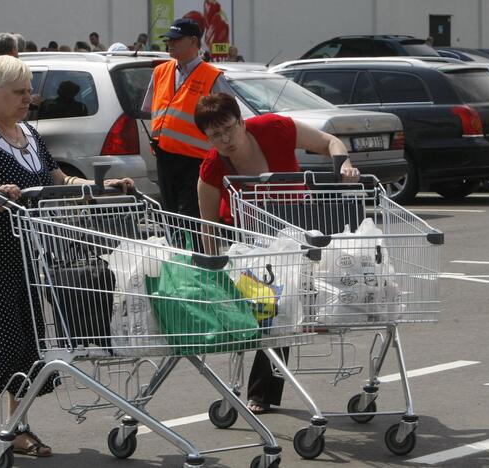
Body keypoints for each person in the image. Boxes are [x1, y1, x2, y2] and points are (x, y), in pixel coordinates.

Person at [0, 55, 133, 457]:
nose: (30, 98)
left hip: (29, 250)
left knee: (30, 344)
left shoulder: (29, 134)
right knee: (1, 339)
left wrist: (101, 188)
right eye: (20, 91)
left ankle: (14, 426)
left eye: (30, 91)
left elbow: (56, 180)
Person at [193, 93, 360, 412]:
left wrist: (345, 165)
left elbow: (329, 142)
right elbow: (208, 226)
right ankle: (259, 392)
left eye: (229, 128)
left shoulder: (274, 128)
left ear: (241, 121)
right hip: (247, 241)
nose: (225, 139)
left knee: (288, 305)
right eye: (215, 135)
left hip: (293, 229)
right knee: (274, 305)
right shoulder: (213, 167)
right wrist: (215, 271)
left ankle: (261, 393)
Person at [140, 18, 235, 218]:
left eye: (175, 40)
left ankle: (191, 250)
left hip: (196, 160)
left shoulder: (211, 75)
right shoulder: (160, 72)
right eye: (168, 40)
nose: (169, 44)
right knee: (170, 214)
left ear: (193, 41)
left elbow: (230, 115)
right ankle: (178, 249)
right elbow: (152, 109)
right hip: (164, 156)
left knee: (189, 216)